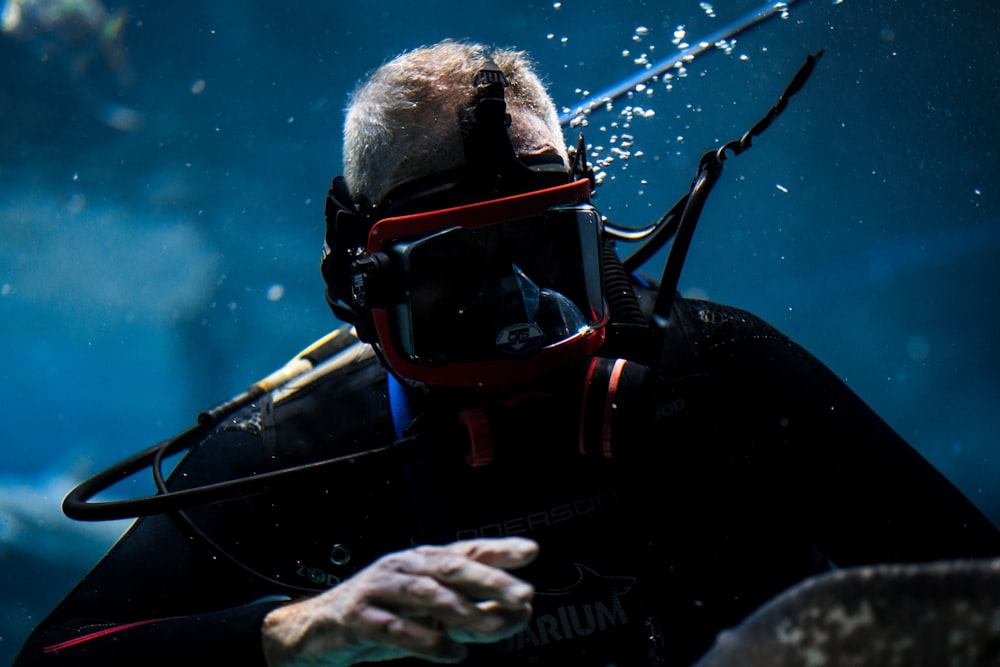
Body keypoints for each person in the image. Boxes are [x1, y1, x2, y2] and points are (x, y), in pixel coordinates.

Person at [14, 40, 1000, 667]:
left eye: (543, 254)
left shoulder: (721, 374)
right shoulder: (300, 448)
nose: (519, 312)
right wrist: (298, 624)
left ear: (596, 236)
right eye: (456, 278)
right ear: (362, 289)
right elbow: (65, 655)